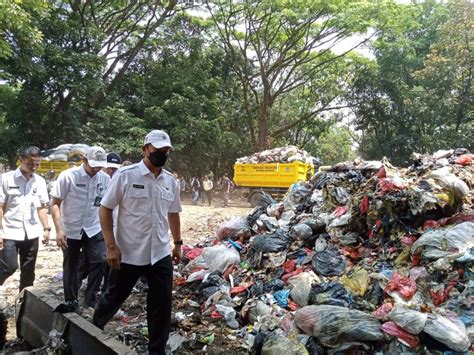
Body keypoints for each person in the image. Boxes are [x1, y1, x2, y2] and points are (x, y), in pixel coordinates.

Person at [93, 129, 182, 355]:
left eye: (165, 151)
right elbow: (105, 209)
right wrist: (111, 246)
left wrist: (178, 243)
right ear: (145, 150)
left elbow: (173, 213)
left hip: (159, 252)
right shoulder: (126, 176)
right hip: (129, 252)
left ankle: (156, 350)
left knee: (161, 305)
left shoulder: (171, 181)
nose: (161, 154)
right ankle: (92, 331)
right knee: (113, 296)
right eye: (157, 150)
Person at [51, 146, 110, 311]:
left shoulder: (105, 179)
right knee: (72, 265)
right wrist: (59, 230)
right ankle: (71, 300)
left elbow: (107, 205)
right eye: (94, 165)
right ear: (84, 160)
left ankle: (90, 298)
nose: (97, 169)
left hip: (93, 226)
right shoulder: (68, 176)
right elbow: (55, 204)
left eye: (100, 165)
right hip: (71, 228)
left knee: (100, 260)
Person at [0, 146, 50, 291]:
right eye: (30, 164)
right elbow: (1, 206)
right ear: (20, 160)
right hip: (10, 231)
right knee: (8, 266)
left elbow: (41, 206)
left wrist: (46, 228)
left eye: (37, 164)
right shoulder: (6, 179)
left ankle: (24, 303)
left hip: (32, 231)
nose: (34, 167)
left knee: (28, 271)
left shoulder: (39, 181)